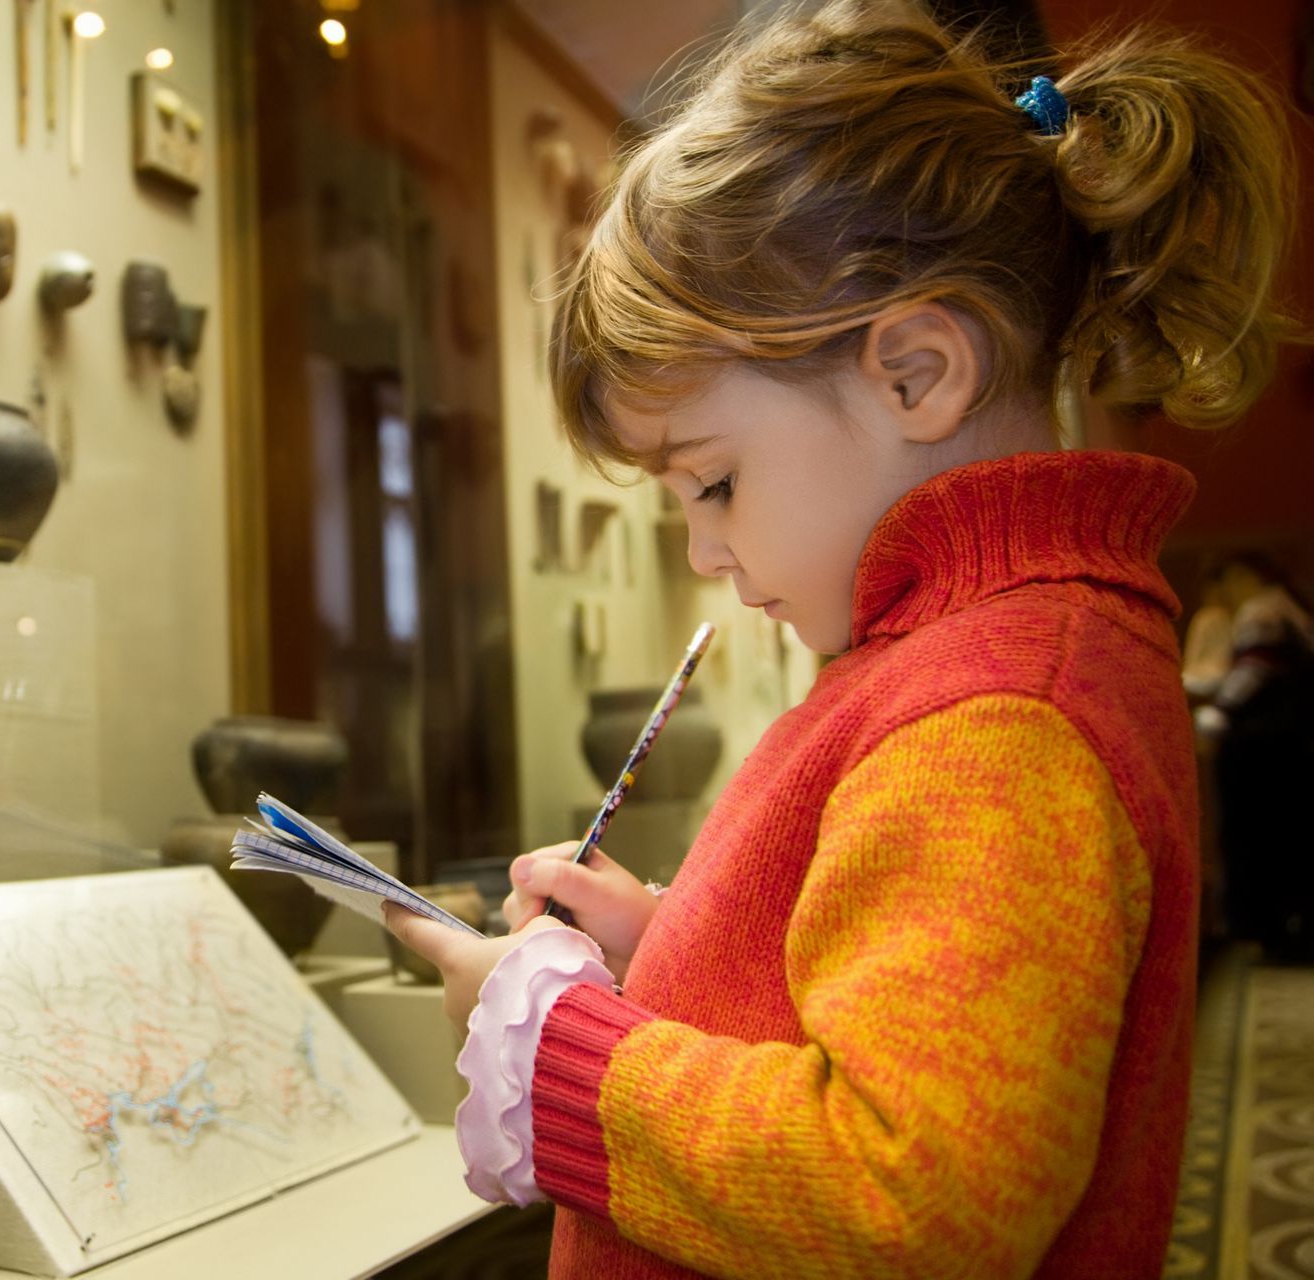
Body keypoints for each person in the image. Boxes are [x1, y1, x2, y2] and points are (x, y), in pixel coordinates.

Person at [383, 2, 1296, 1276]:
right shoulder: (959, 662)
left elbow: (916, 1197)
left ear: (916, 372)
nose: (704, 548)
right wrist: (674, 952)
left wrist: (555, 1052)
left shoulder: (994, 715)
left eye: (712, 481)